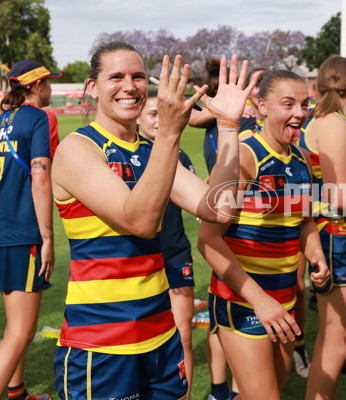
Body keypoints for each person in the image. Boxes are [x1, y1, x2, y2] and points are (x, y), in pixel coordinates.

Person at [51, 41, 255, 400]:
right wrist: (170, 133)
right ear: (93, 88)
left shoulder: (149, 151)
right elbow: (141, 221)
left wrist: (226, 126)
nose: (130, 86)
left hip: (162, 336)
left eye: (138, 77)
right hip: (102, 346)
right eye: (116, 77)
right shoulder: (77, 148)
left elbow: (219, 209)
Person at [198, 69, 329, 400]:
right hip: (243, 304)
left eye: (304, 104)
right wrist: (260, 301)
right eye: (288, 104)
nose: (300, 113)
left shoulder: (301, 159)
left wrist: (316, 255)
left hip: (283, 301)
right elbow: (208, 240)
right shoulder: (244, 157)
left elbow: (303, 222)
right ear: (261, 106)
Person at [298, 55, 346, 400]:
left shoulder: (322, 119)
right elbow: (339, 196)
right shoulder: (333, 122)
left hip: (332, 233)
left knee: (331, 340)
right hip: (339, 234)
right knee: (339, 342)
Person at [0, 60, 61, 400]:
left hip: (4, 230)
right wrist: (48, 236)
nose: (50, 89)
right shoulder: (38, 118)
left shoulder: (2, 119)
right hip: (21, 234)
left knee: (15, 325)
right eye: (48, 83)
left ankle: (18, 392)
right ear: (37, 87)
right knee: (21, 331)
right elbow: (40, 177)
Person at [136, 89, 196, 399]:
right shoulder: (125, 154)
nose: (160, 121)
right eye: (152, 114)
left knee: (183, 333)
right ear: (137, 118)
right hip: (137, 262)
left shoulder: (179, 156)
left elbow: (201, 202)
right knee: (140, 345)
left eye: (163, 113)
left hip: (174, 256)